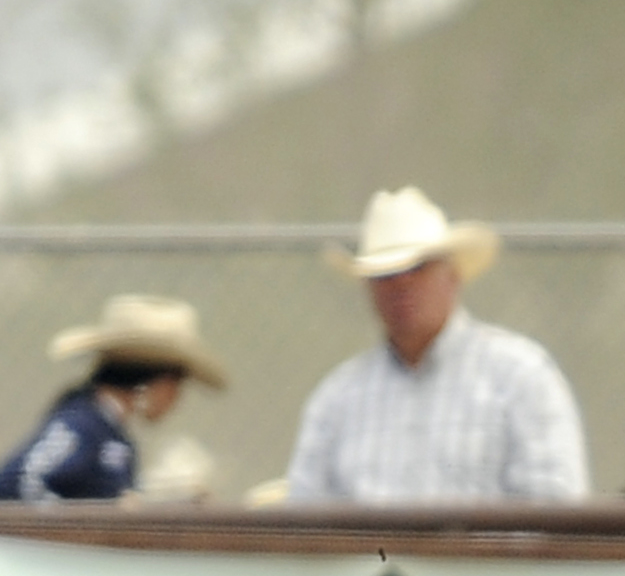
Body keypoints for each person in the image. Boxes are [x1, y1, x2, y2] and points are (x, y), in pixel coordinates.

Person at [285, 187, 588, 502]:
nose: (402, 286)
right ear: (369, 287)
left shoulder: (521, 377)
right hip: (371, 554)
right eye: (386, 274)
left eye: (417, 269)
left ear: (453, 275)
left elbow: (554, 504)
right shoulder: (337, 399)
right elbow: (304, 519)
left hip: (486, 553)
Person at [0, 296, 226, 500]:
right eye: (177, 385)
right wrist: (64, 530)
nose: (177, 400)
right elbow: (21, 481)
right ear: (156, 381)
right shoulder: (82, 425)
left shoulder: (114, 439)